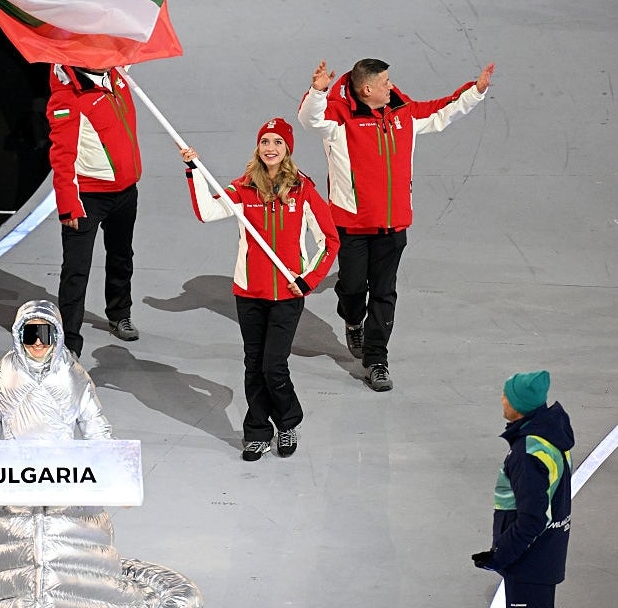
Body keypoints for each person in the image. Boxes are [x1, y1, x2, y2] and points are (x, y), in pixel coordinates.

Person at [0, 299, 203, 608]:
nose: (38, 343)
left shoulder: (73, 376)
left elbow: (96, 427)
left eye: (46, 335)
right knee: (15, 549)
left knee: (65, 547)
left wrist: (119, 478)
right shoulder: (2, 376)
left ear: (57, 335)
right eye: (31, 335)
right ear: (18, 335)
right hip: (13, 480)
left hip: (63, 479)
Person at [298, 58, 495, 391]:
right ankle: (352, 319)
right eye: (385, 82)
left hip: (393, 226)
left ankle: (376, 360)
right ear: (366, 89)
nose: (391, 86)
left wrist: (475, 91)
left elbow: (441, 111)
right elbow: (310, 119)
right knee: (352, 288)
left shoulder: (404, 112)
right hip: (352, 226)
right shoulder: (338, 118)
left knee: (384, 292)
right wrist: (318, 92)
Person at [180, 118, 340, 461]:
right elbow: (206, 212)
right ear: (258, 147)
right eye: (265, 141)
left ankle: (287, 422)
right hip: (249, 293)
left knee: (273, 366)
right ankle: (257, 431)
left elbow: (329, 240)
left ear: (287, 149)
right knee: (253, 365)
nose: (270, 148)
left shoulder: (302, 189)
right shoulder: (243, 188)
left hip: (287, 294)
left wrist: (307, 279)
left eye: (278, 142)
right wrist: (194, 170)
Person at [46, 59, 150, 352]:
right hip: (87, 198)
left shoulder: (116, 75)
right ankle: (69, 342)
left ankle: (119, 314)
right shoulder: (66, 98)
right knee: (76, 269)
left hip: (126, 192)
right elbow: (62, 157)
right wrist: (69, 203)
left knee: (121, 256)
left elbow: (131, 46)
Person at [472, 370, 574, 608]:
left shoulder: (527, 454)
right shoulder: (550, 436)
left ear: (519, 406)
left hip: (529, 562)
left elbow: (532, 519)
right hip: (545, 553)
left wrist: (499, 556)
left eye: (506, 396)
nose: (502, 399)